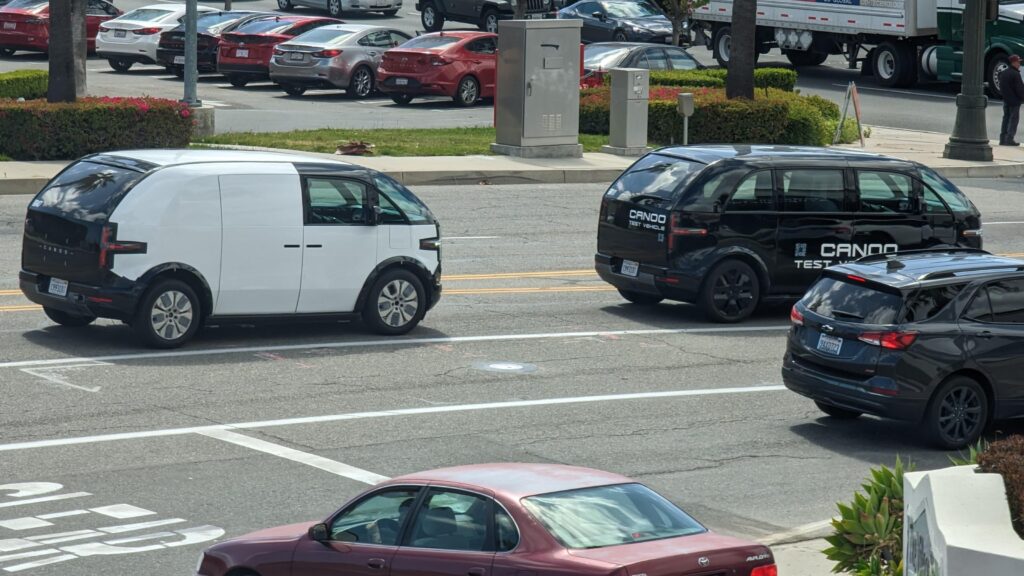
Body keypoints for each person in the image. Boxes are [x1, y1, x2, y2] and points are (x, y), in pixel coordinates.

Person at [998, 55, 1024, 146]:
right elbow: (1020, 89)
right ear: (1013, 62)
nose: (1019, 64)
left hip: (1006, 100)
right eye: (1018, 62)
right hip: (1015, 101)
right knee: (1013, 120)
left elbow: (1001, 87)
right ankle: (1009, 139)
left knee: (1006, 119)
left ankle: (1002, 139)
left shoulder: (1004, 73)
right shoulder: (1015, 74)